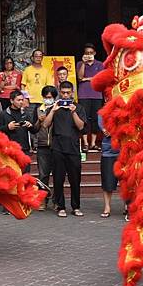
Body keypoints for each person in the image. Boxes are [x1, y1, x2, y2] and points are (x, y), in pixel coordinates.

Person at [42, 81, 87, 217]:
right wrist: (53, 110)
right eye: (63, 92)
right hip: (57, 147)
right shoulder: (54, 107)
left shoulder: (78, 108)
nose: (66, 95)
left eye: (68, 93)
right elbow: (45, 124)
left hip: (73, 147)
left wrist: (73, 112)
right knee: (58, 178)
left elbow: (81, 127)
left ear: (72, 93)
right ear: (60, 92)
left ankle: (76, 207)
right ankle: (60, 207)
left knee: (75, 179)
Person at [0, 90, 35, 171]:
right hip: (9, 150)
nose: (21, 102)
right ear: (11, 100)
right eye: (18, 100)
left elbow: (34, 131)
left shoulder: (26, 114)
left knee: (25, 175)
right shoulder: (3, 114)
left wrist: (30, 126)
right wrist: (7, 127)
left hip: (24, 149)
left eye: (22, 100)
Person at [98, 113, 129, 220]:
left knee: (127, 181)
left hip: (125, 150)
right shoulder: (102, 113)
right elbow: (106, 131)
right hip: (108, 151)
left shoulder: (125, 110)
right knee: (107, 181)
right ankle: (107, 207)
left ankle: (127, 206)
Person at [22, 49, 53, 150]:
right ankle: (32, 144)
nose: (38, 58)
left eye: (40, 56)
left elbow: (49, 87)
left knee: (41, 122)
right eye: (36, 56)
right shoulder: (27, 70)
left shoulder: (46, 71)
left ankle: (39, 143)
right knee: (30, 122)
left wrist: (47, 101)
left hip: (42, 102)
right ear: (32, 57)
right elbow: (23, 85)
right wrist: (25, 99)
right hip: (30, 101)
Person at [32, 85, 57, 210]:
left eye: (51, 97)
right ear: (42, 97)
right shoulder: (38, 109)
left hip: (56, 146)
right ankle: (43, 200)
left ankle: (57, 201)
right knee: (43, 176)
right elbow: (33, 129)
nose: (48, 99)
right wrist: (38, 121)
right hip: (42, 146)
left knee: (58, 175)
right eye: (46, 97)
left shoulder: (57, 109)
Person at [77, 43, 104, 152]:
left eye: (90, 53)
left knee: (95, 118)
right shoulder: (80, 63)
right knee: (84, 118)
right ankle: (86, 143)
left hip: (97, 95)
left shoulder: (100, 64)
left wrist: (86, 79)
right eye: (86, 53)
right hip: (83, 94)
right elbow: (80, 77)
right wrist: (84, 63)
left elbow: (100, 78)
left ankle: (93, 143)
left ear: (95, 53)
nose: (88, 55)